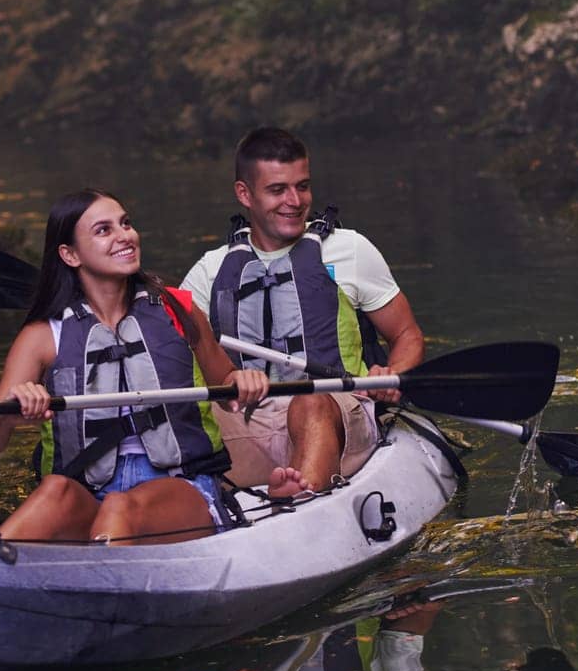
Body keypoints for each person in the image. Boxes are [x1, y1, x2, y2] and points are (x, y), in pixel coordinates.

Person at [0, 188, 269, 544]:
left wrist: (244, 380)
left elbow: (227, 387)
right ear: (69, 254)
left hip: (181, 487)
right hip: (87, 493)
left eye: (125, 224)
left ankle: (93, 587)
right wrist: (7, 414)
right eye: (104, 230)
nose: (124, 236)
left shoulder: (178, 309)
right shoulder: (42, 336)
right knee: (54, 490)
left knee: (119, 508)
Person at [180, 126, 424, 496]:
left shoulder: (350, 249)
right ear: (244, 194)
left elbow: (406, 335)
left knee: (308, 404)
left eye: (302, 186)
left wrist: (393, 375)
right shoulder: (208, 271)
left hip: (336, 410)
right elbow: (175, 360)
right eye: (277, 189)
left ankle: (297, 499)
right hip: (249, 421)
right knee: (186, 422)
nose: (294, 200)